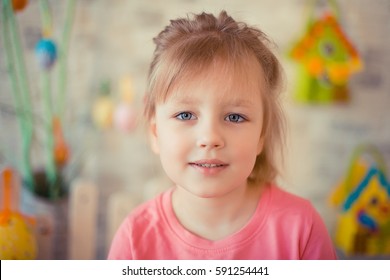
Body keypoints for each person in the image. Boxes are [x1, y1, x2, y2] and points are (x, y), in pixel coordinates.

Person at [108, 10, 337, 260]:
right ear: (154, 132)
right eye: (185, 115)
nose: (209, 137)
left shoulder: (302, 229)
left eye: (234, 117)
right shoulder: (134, 239)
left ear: (261, 135)